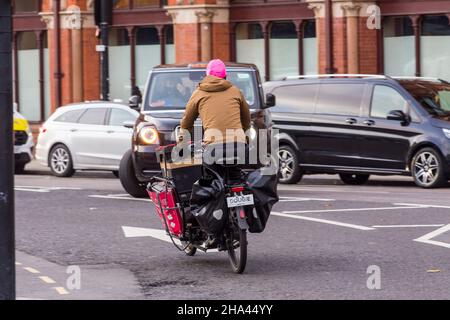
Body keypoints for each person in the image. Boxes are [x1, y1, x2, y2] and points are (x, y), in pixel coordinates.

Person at [178, 59, 251, 248]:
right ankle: (239, 212)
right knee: (236, 179)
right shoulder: (236, 91)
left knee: (210, 185)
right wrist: (243, 137)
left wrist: (182, 143)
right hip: (238, 145)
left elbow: (187, 122)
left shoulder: (199, 93)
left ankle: (214, 231)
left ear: (207, 75)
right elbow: (246, 119)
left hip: (213, 147)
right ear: (225, 76)